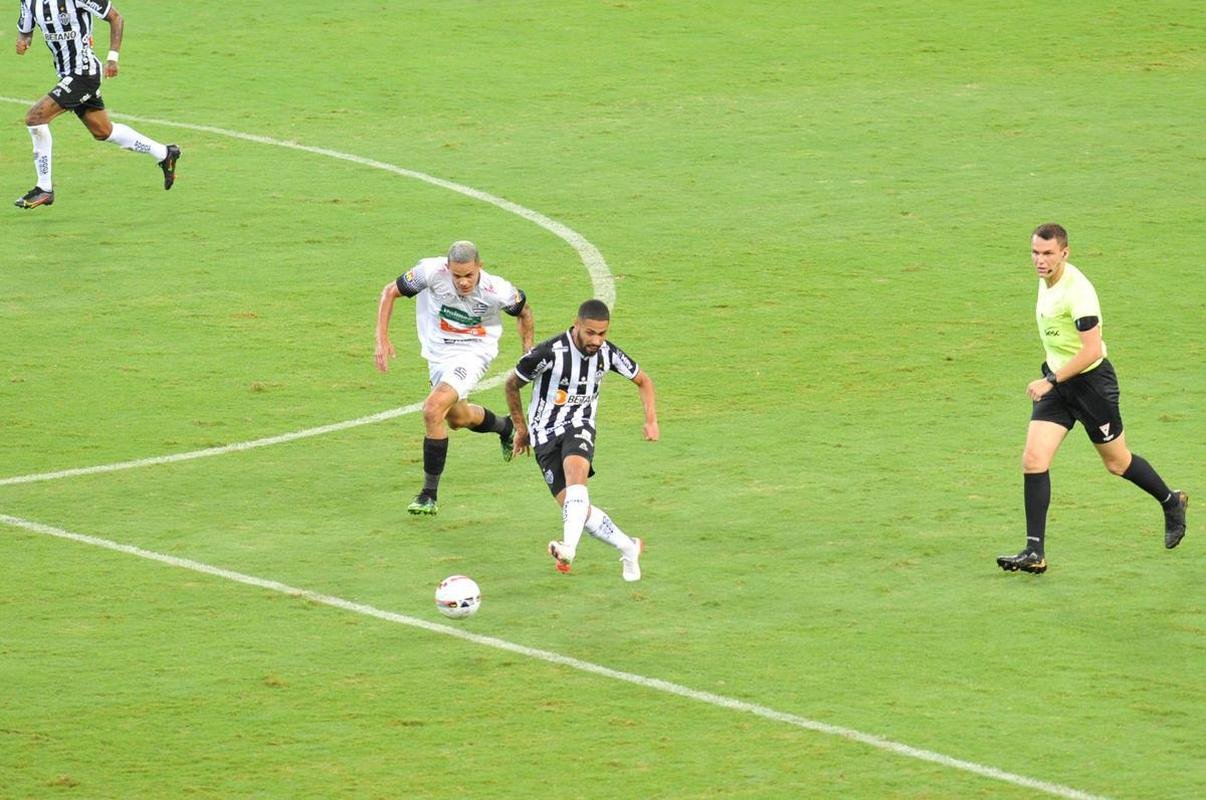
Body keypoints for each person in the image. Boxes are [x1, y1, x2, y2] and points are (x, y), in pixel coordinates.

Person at [997, 223, 1188, 574]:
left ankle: (1171, 501)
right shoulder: (1047, 279)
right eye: (1035, 253)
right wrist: (1053, 379)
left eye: (1048, 253)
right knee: (1033, 459)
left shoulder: (1078, 292)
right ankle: (1034, 552)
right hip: (1058, 383)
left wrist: (1050, 380)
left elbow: (1091, 350)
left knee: (1117, 463)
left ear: (1064, 253)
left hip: (1090, 385)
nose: (1040, 260)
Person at [375, 241, 533, 516]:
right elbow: (390, 292)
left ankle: (428, 494)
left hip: (473, 353)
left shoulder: (498, 290)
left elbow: (524, 313)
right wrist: (381, 338)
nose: (462, 282)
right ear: (448, 268)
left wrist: (528, 354)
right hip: (438, 356)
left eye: (469, 275)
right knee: (457, 418)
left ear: (479, 268)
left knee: (432, 408)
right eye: (457, 276)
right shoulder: (429, 273)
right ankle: (505, 428)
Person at [505, 299, 659, 582]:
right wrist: (521, 428)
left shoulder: (607, 353)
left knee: (577, 480)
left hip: (580, 426)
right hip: (544, 436)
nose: (596, 340)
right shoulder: (549, 353)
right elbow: (512, 383)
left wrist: (651, 420)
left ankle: (568, 549)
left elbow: (644, 381)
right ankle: (629, 546)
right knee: (577, 512)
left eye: (602, 334)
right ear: (576, 325)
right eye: (590, 333)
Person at [14, 0, 180, 209]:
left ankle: (44, 188)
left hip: (84, 73)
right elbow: (25, 30)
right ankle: (165, 153)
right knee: (103, 132)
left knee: (35, 117)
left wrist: (112, 58)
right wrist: (23, 40)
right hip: (67, 74)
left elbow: (116, 18)